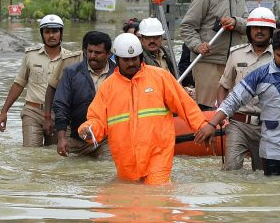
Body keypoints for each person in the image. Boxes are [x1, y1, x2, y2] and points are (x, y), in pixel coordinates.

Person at [195, 29, 280, 178]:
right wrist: (212, 124)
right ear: (274, 51)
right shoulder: (260, 75)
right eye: (279, 56)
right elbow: (234, 99)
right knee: (274, 191)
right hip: (274, 146)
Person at [78, 33, 208, 185]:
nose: (131, 63)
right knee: (129, 200)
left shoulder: (160, 77)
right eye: (126, 60)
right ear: (116, 59)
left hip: (158, 155)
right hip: (126, 160)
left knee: (156, 195)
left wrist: (202, 126)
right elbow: (97, 118)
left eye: (135, 58)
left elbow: (185, 105)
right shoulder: (108, 87)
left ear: (140, 56)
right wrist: (89, 129)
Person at [179, 0, 249, 107]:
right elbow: (187, 26)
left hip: (233, 62)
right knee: (208, 107)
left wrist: (235, 22)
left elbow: (248, 25)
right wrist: (197, 45)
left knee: (233, 108)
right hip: (208, 62)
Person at [0, 14, 78, 146]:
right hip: (32, 112)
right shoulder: (30, 55)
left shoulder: (71, 59)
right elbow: (19, 84)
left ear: (61, 33)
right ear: (42, 34)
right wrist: (4, 111)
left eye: (55, 31)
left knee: (55, 155)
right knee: (31, 153)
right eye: (47, 32)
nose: (51, 35)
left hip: (59, 114)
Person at [216, 7, 276, 171]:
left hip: (268, 126)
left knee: (264, 174)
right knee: (231, 170)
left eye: (264, 28)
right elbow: (223, 85)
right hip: (238, 123)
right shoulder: (236, 54)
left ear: (271, 31)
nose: (259, 31)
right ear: (249, 31)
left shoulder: (279, 57)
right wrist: (222, 114)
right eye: (255, 28)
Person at [52, 31, 116, 160]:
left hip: (108, 140)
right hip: (77, 138)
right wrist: (61, 138)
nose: (92, 56)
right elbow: (61, 105)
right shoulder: (71, 73)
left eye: (97, 53)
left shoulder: (118, 74)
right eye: (89, 51)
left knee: (106, 169)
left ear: (108, 54)